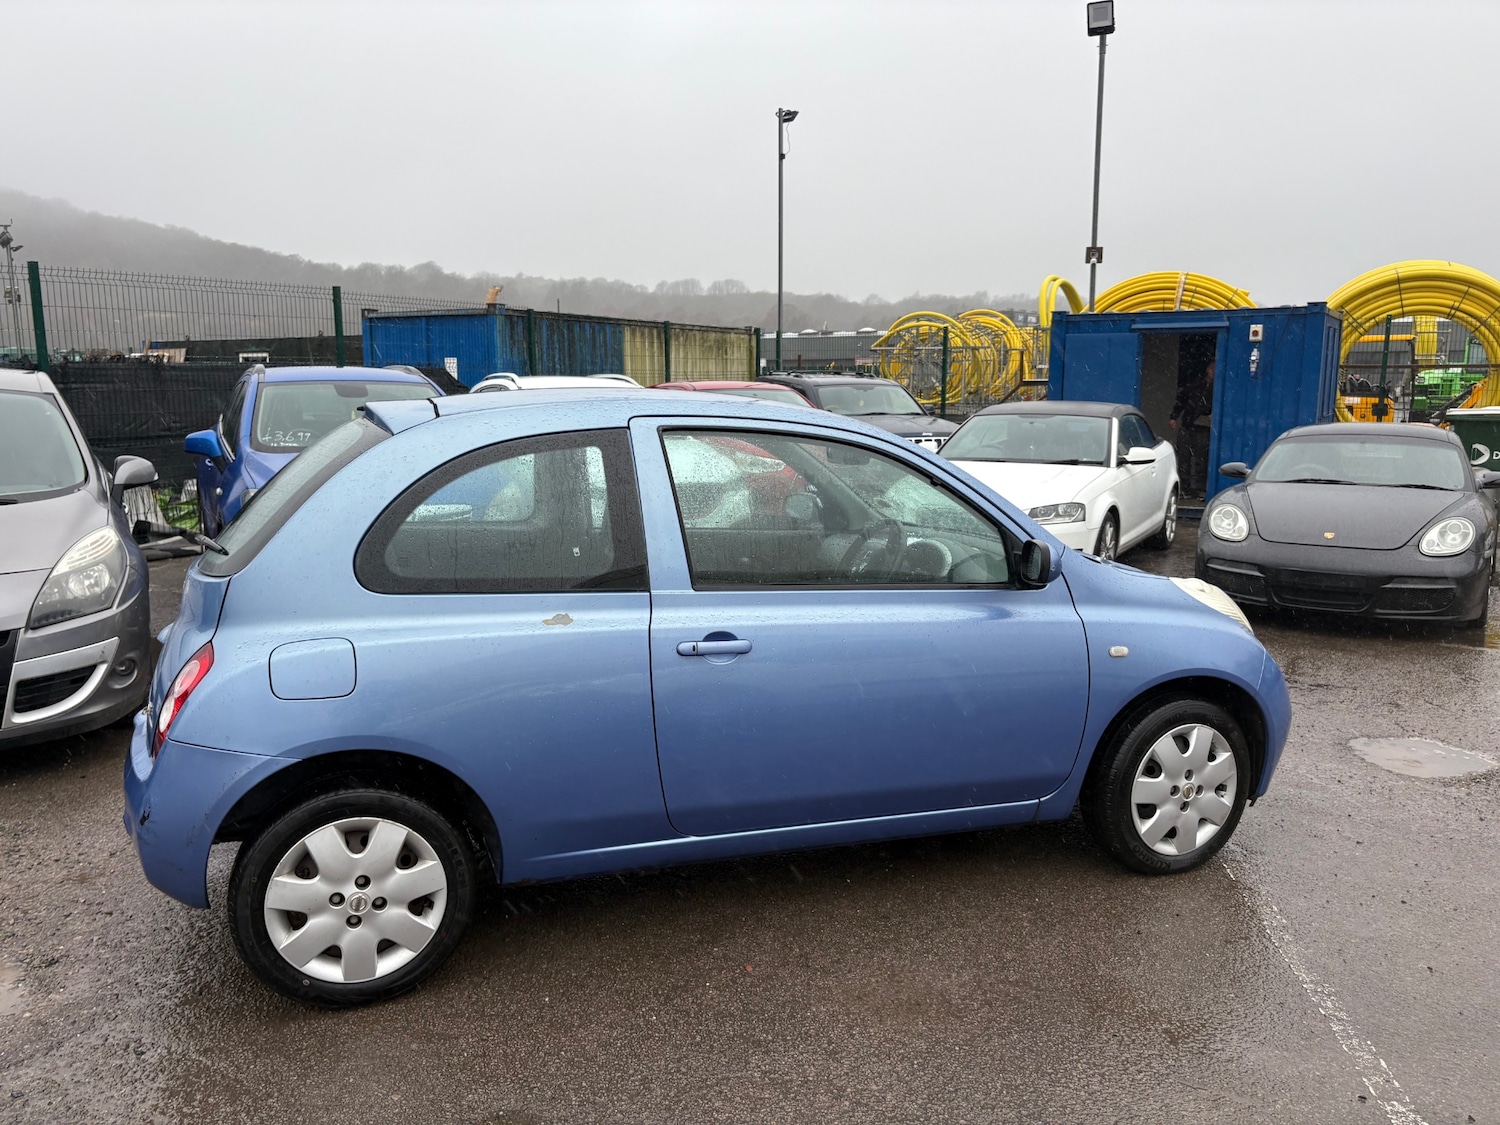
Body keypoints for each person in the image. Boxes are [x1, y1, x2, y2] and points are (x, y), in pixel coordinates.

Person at [1169, 357, 1214, 496]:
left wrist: (1214, 414)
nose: (1212, 372)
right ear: (1207, 370)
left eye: (1215, 370)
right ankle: (1184, 488)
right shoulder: (1196, 385)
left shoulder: (1219, 388)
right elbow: (1182, 400)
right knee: (1183, 457)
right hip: (1187, 424)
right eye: (1211, 369)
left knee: (1201, 459)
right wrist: (1174, 416)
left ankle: (1200, 489)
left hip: (1204, 427)